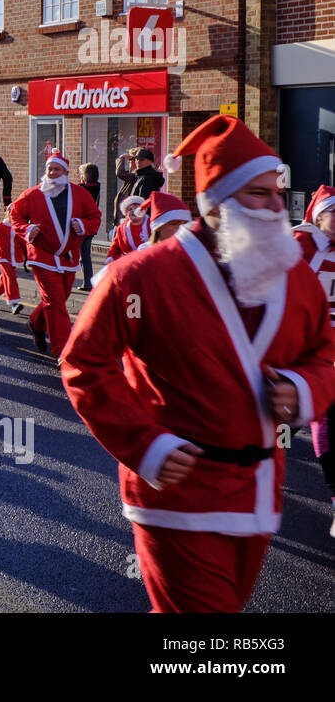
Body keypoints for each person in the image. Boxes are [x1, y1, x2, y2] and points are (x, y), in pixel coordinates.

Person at [61, 115, 335, 612]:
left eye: (279, 192)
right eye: (259, 194)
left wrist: (302, 386)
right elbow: (83, 362)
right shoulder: (141, 276)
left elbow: (324, 353)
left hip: (257, 494)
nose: (278, 207)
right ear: (218, 206)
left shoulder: (292, 275)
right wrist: (145, 444)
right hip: (177, 495)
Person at [8, 149, 101, 360]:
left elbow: (95, 216)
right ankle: (64, 351)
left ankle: (35, 322)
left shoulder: (79, 193)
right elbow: (16, 215)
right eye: (49, 168)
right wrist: (27, 229)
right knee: (55, 303)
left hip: (68, 256)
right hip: (42, 255)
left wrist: (84, 225)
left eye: (57, 169)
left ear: (65, 172)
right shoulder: (33, 194)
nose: (52, 172)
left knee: (61, 297)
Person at [292, 184, 335, 534]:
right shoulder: (299, 246)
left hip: (329, 356)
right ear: (319, 216)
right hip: (299, 350)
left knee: (325, 420)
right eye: (333, 212)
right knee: (284, 424)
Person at [0, 208, 27, 314]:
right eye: (10, 214)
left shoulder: (18, 227)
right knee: (10, 277)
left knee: (4, 278)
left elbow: (23, 241)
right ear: (7, 214)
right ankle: (14, 303)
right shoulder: (1, 225)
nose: (12, 216)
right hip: (2, 256)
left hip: (13, 258)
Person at [78, 163, 103, 291]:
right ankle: (88, 282)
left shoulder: (82, 189)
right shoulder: (97, 188)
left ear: (85, 176)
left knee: (78, 255)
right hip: (92, 225)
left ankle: (87, 282)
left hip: (82, 225)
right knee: (86, 254)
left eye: (81, 175)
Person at [105, 196, 149, 267]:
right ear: (126, 213)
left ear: (144, 210)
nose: (133, 211)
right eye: (130, 209)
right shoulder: (122, 228)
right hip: (129, 265)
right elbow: (115, 246)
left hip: (149, 262)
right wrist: (110, 257)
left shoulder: (151, 224)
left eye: (137, 208)